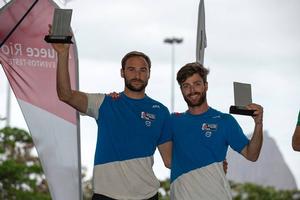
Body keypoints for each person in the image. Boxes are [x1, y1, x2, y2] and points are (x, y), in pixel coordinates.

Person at [51, 35, 172, 199]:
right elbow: (65, 94)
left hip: (147, 195)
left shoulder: (161, 111)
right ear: (122, 72)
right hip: (106, 195)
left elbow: (170, 160)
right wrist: (63, 53)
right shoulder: (104, 103)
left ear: (149, 74)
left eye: (142, 70)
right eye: (131, 69)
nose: (137, 75)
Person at [165, 62, 264, 200]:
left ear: (206, 86)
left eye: (197, 84)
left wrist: (258, 123)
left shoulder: (225, 121)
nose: (192, 90)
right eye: (186, 86)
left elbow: (252, 154)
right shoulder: (172, 121)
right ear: (181, 89)